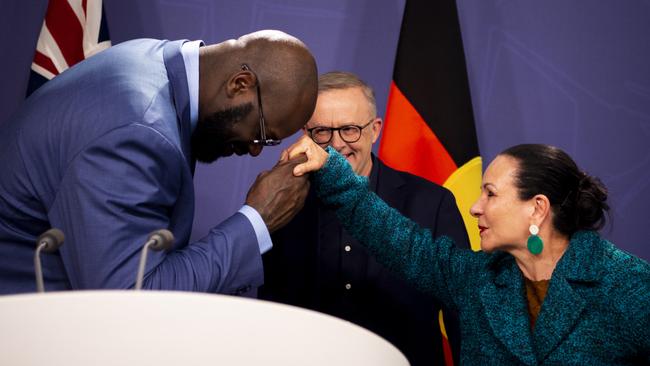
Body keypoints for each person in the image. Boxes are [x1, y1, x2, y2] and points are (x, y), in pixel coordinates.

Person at [0, 30, 318, 294]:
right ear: (239, 84)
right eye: (262, 134)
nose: (254, 150)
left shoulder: (154, 61)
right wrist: (255, 220)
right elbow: (130, 299)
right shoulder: (138, 129)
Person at [284, 137, 650, 364]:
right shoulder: (476, 279)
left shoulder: (628, 285)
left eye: (490, 193)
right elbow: (399, 240)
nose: (475, 207)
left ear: (537, 208)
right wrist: (332, 169)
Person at [260, 72, 468, 365]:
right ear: (305, 134)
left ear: (375, 129)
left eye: (349, 129)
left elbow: (463, 311)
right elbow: (268, 308)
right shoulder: (281, 203)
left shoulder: (432, 203)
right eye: (322, 131)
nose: (336, 144)